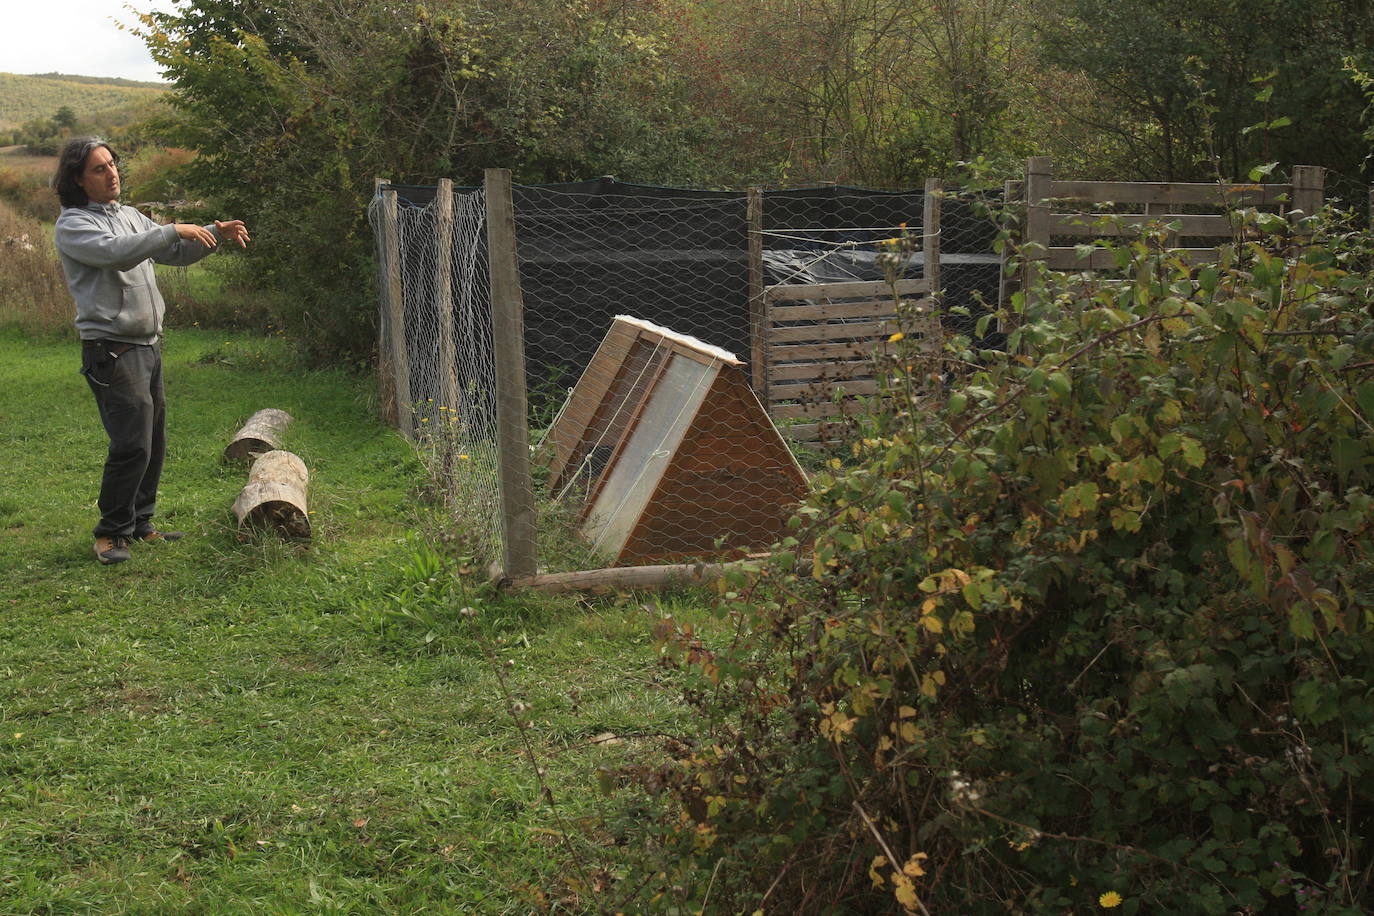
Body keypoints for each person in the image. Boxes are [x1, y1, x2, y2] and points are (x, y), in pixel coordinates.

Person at [52, 137, 251, 565]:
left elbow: (174, 250)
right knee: (131, 443)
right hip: (112, 349)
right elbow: (115, 254)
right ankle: (110, 534)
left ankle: (140, 524)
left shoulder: (129, 215)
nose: (112, 174)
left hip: (147, 345)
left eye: (112, 165)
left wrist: (214, 232)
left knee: (152, 440)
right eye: (99, 169)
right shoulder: (73, 224)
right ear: (78, 180)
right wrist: (168, 229)